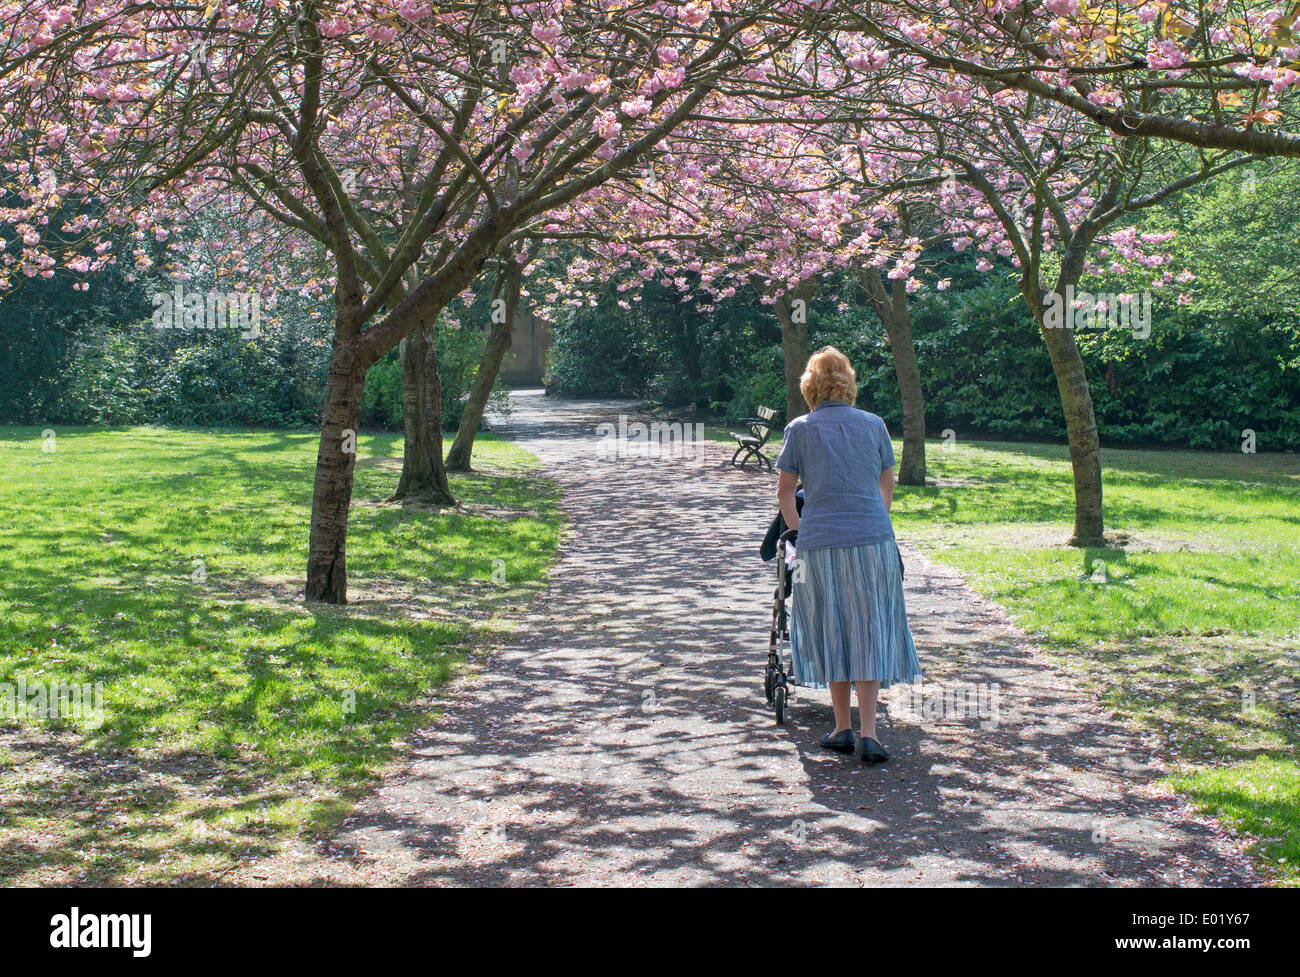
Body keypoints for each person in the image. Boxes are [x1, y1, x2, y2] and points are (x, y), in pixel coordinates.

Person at [774, 346, 921, 764]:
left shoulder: (799, 429)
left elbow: (786, 492)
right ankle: (870, 733)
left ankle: (841, 727)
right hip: (872, 540)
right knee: (869, 628)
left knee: (832, 627)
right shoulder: (874, 425)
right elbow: (886, 485)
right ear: (849, 383)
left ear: (810, 386)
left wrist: (799, 531)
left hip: (820, 544)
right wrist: (873, 518)